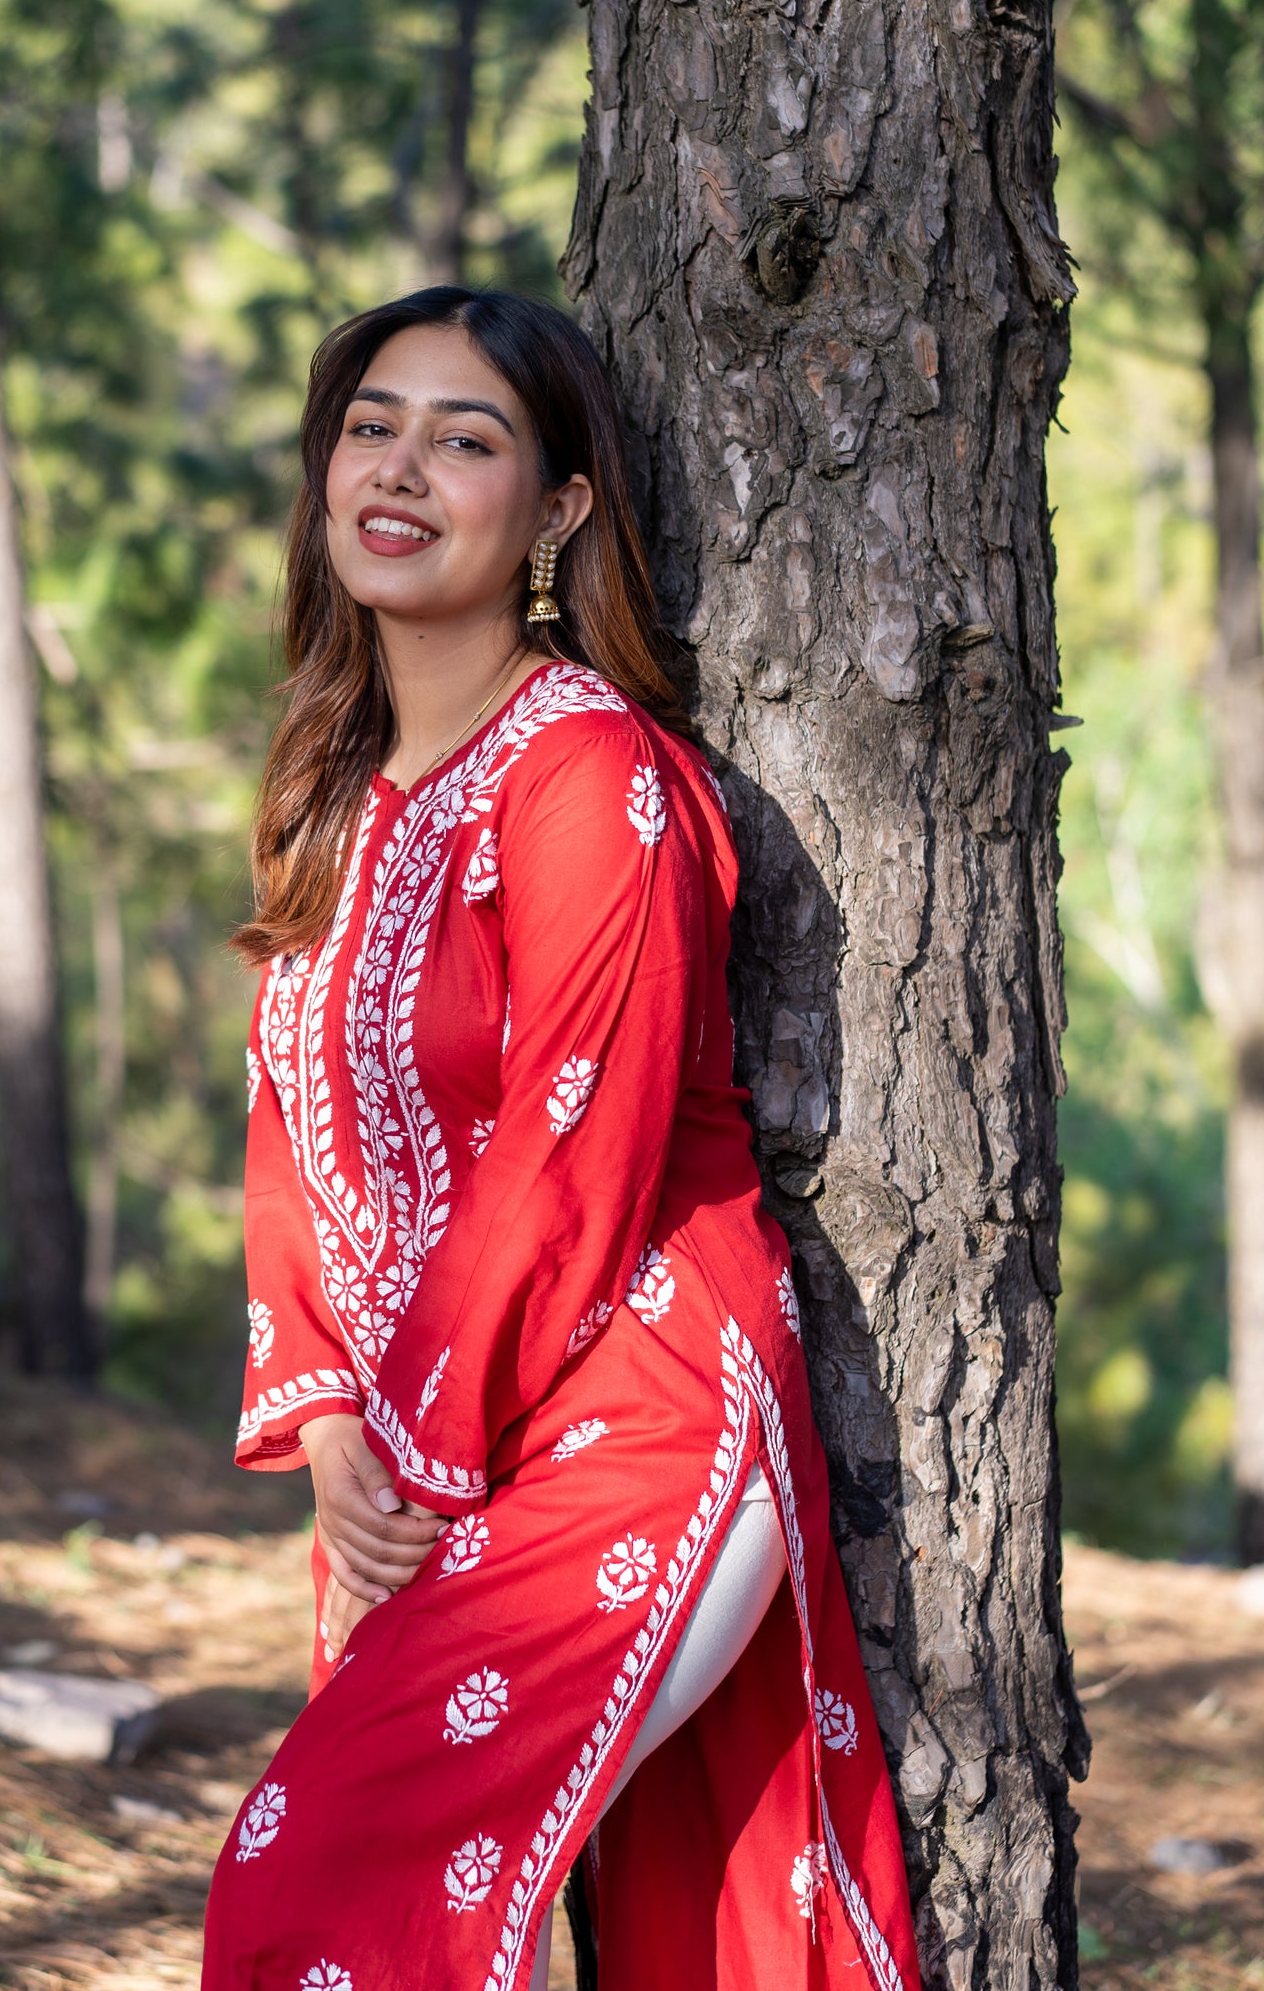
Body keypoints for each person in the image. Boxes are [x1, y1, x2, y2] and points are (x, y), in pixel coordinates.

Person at [203, 287, 921, 1991]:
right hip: (402, 1448)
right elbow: (289, 1135)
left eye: (468, 439)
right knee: (444, 1926)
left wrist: (417, 1445)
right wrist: (328, 1433)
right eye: (371, 425)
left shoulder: (589, 773)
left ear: (560, 508)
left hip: (634, 1421)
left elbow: (565, 1154)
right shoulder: (338, 794)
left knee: (325, 1872)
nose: (400, 468)